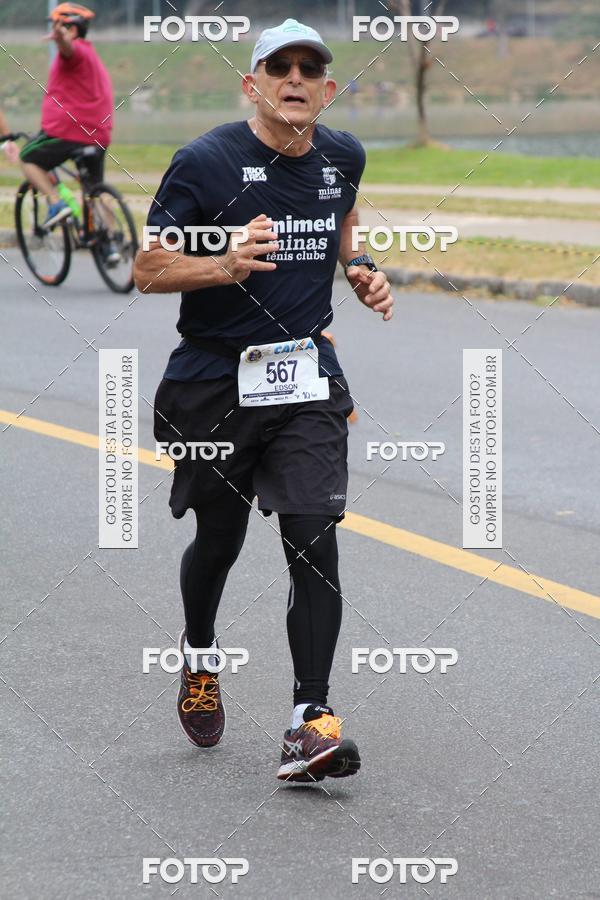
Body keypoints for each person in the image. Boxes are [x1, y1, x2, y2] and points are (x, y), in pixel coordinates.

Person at [134, 19, 393, 783]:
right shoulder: (206, 162)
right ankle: (202, 655)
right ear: (252, 84)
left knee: (314, 536)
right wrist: (225, 264)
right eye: (278, 67)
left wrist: (362, 266)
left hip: (306, 377)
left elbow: (341, 219)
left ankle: (307, 721)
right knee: (220, 539)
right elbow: (148, 266)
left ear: (327, 88)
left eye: (310, 69)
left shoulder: (342, 155)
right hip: (214, 381)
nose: (295, 78)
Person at [19, 3, 113, 228]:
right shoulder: (91, 55)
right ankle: (111, 241)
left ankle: (55, 203)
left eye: (57, 25)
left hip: (68, 132)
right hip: (98, 134)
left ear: (72, 29)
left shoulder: (75, 53)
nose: (54, 29)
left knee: (28, 158)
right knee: (94, 190)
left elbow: (68, 48)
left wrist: (61, 37)